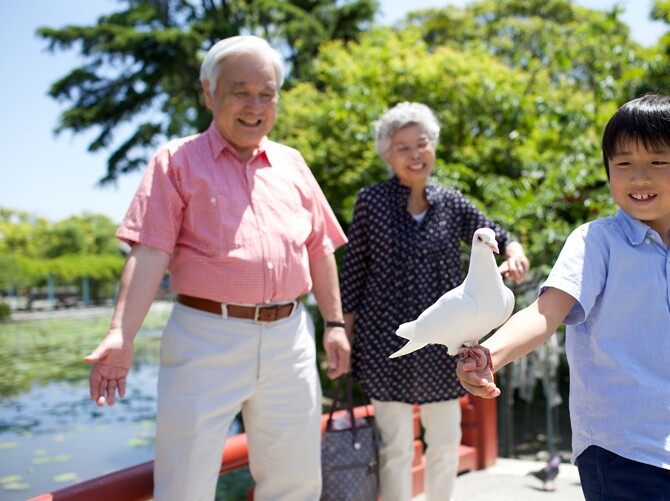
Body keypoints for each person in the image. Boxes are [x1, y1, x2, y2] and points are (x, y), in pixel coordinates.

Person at [84, 35, 350, 500]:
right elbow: (148, 252)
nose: (255, 105)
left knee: (297, 480)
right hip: (206, 334)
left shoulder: (292, 163)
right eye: (239, 91)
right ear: (208, 94)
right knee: (185, 480)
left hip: (290, 336)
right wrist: (120, 334)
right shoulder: (176, 161)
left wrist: (332, 323)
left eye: (267, 94)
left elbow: (319, 248)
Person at [457, 94, 670, 499]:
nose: (639, 177)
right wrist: (488, 356)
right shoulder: (595, 242)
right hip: (620, 449)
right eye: (623, 164)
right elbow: (545, 312)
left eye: (657, 162)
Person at [340, 102, 529, 501]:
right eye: (402, 147)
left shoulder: (451, 202)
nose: (414, 154)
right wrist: (340, 334)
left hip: (448, 344)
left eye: (421, 143)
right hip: (385, 341)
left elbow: (495, 231)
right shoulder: (371, 202)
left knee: (444, 444)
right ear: (387, 155)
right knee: (395, 448)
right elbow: (352, 274)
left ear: (433, 147)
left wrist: (513, 250)